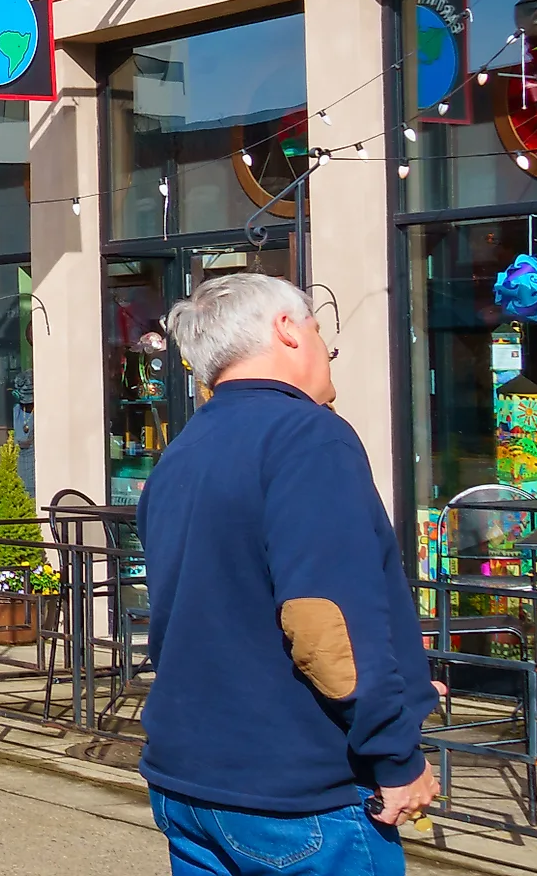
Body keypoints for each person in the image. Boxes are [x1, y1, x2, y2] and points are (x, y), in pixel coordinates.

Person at [140, 273, 442, 875]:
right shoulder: (308, 436)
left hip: (188, 783)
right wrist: (395, 753)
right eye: (317, 328)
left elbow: (215, 610)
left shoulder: (182, 452)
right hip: (297, 796)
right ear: (285, 330)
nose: (326, 347)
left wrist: (404, 686)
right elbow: (326, 625)